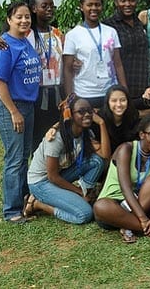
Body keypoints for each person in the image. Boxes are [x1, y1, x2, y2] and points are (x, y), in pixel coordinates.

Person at [0, 0, 65, 149]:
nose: (49, 9)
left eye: (52, 6)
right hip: (32, 94)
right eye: (44, 6)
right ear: (34, 9)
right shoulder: (23, 34)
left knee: (55, 139)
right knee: (33, 144)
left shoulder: (57, 33)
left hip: (55, 93)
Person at [0, 1, 41, 223]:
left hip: (26, 106)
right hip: (11, 107)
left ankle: (22, 202)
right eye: (18, 17)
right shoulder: (4, 46)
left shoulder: (25, 42)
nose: (24, 20)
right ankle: (11, 211)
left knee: (23, 157)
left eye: (27, 16)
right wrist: (13, 112)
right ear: (9, 19)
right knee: (14, 159)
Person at [25, 95, 110, 224]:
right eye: (81, 111)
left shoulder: (85, 133)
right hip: (41, 183)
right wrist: (79, 192)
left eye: (89, 111)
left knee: (96, 161)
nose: (87, 114)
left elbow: (105, 155)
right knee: (85, 214)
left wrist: (102, 123)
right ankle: (38, 204)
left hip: (59, 176)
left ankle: (87, 193)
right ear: (70, 115)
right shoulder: (56, 138)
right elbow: (52, 176)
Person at [93, 113, 150, 243]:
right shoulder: (126, 149)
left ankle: (128, 226)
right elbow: (126, 188)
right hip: (113, 208)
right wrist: (145, 220)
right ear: (142, 134)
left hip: (138, 205)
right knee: (100, 206)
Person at [63, 0, 127, 108]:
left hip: (109, 92)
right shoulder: (72, 35)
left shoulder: (111, 32)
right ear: (81, 7)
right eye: (89, 5)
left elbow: (118, 63)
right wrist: (69, 99)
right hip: (84, 93)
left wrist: (124, 90)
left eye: (97, 5)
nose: (94, 8)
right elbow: (67, 69)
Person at [103, 0, 149, 100]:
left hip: (142, 82)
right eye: (123, 1)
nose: (127, 4)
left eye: (131, 0)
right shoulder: (108, 26)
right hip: (121, 84)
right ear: (116, 2)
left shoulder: (139, 22)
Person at [98, 85, 140, 153]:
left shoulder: (133, 116)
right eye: (114, 101)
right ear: (108, 102)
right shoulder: (101, 118)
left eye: (123, 100)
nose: (119, 104)